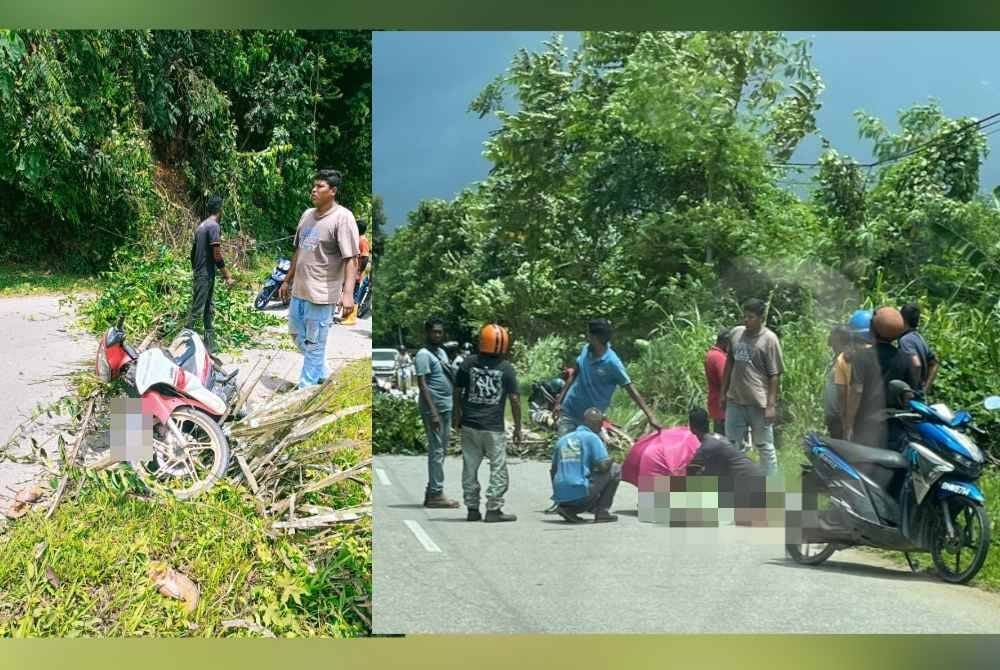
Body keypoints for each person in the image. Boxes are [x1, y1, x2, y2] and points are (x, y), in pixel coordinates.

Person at [278, 170, 360, 388]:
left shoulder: (342, 218)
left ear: (332, 191)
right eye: (313, 186)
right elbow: (298, 250)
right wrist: (287, 280)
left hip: (322, 296)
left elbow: (350, 259)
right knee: (296, 335)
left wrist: (348, 294)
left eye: (320, 187)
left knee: (314, 345)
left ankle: (305, 391)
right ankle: (323, 373)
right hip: (299, 292)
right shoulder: (307, 215)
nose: (314, 190)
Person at [454, 323, 522, 522]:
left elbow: (457, 391)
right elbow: (516, 400)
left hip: (470, 426)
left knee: (470, 467)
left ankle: (472, 509)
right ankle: (493, 509)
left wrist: (457, 416)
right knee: (498, 468)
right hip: (493, 429)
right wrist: (518, 428)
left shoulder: (468, 363)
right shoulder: (506, 368)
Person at [553, 319, 661, 437]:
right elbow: (574, 374)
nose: (586, 336)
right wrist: (559, 402)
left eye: (588, 334)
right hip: (570, 411)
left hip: (591, 420)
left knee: (592, 452)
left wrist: (650, 416)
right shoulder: (586, 350)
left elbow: (630, 389)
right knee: (567, 450)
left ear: (595, 337)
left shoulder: (612, 363)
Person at [720, 299, 784, 475]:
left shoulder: (769, 340)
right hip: (735, 401)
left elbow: (774, 375)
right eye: (744, 316)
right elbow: (729, 363)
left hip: (759, 404)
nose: (746, 320)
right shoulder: (736, 334)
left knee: (765, 447)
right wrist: (723, 393)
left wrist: (771, 406)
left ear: (761, 318)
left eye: (751, 317)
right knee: (733, 446)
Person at [415, 317, 460, 508]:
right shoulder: (423, 355)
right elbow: (422, 385)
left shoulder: (440, 352)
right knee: (437, 451)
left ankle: (432, 489)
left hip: (446, 406)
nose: (437, 335)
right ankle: (436, 493)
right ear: (427, 332)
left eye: (440, 332)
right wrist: (433, 413)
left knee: (441, 450)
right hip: (434, 409)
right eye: (434, 332)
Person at [550, 407, 622, 523]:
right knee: (615, 468)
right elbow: (603, 466)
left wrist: (559, 494)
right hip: (579, 494)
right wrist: (613, 457)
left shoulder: (563, 439)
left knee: (582, 475)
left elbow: (553, 470)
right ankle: (602, 511)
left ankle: (566, 507)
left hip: (560, 495)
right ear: (599, 424)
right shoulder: (592, 437)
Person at [186, 194, 234, 352]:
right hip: (205, 275)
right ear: (220, 209)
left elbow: (192, 254)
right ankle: (184, 345)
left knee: (208, 308)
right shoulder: (213, 226)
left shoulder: (201, 226)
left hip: (202, 273)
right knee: (197, 310)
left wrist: (197, 269)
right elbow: (217, 254)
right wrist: (226, 275)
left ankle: (210, 345)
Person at [899, 303, 940, 395]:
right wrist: (926, 388)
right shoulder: (919, 338)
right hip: (920, 392)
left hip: (911, 394)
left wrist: (912, 389)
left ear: (902, 319)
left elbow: (916, 364)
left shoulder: (905, 340)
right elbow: (935, 362)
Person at [822, 326, 852, 439]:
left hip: (841, 417)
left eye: (832, 337)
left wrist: (844, 417)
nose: (830, 341)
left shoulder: (847, 359)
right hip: (834, 416)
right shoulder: (836, 358)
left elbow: (846, 390)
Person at [704, 329, 730, 435]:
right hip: (722, 405)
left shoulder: (711, 354)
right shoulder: (719, 357)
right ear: (725, 342)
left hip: (716, 403)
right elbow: (725, 379)